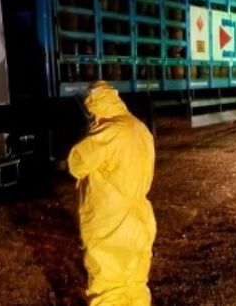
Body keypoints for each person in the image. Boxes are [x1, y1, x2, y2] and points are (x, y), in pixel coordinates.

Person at [68, 80, 157, 306]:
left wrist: (87, 133)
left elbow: (77, 163)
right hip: (140, 219)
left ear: (94, 107)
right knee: (135, 284)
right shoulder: (139, 127)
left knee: (108, 289)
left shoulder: (109, 132)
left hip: (112, 223)